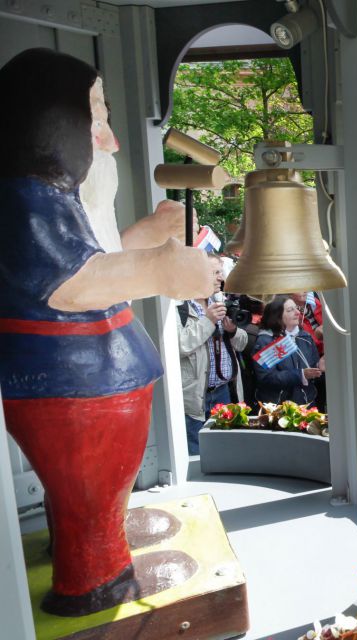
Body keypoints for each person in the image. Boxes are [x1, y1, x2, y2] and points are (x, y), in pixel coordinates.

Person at [0, 48, 216, 613]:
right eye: (96, 117)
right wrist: (161, 268)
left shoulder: (48, 198)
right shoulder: (26, 199)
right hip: (76, 385)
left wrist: (147, 236)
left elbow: (95, 253)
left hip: (88, 377)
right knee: (88, 493)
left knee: (85, 496)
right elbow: (69, 281)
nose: (112, 141)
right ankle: (96, 582)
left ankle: (89, 543)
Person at [178, 264, 249, 454]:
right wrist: (208, 320)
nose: (221, 277)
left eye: (221, 272)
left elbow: (242, 344)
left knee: (226, 452)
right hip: (196, 398)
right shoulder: (179, 308)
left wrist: (232, 330)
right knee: (198, 456)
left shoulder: (220, 302)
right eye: (215, 272)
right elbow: (181, 346)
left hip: (224, 392)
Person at [252, 296, 321, 405]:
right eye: (290, 310)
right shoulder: (266, 341)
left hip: (306, 403)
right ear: (277, 316)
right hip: (278, 407)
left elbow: (313, 370)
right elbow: (266, 378)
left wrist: (319, 367)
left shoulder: (305, 337)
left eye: (296, 308)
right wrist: (300, 375)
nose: (298, 312)